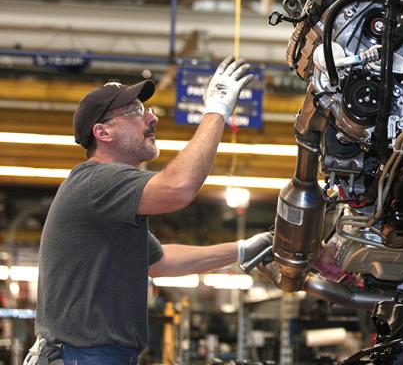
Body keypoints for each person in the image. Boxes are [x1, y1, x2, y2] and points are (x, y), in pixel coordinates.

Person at [28, 56, 275, 365]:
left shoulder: (107, 198)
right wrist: (217, 110)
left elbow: (160, 261)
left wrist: (241, 250)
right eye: (135, 112)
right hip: (83, 357)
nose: (152, 118)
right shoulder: (97, 181)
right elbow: (178, 187)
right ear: (103, 133)